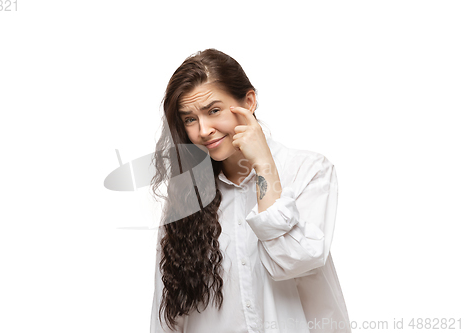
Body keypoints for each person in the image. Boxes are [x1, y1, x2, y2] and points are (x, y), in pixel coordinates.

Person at [149, 48, 351, 333]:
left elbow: (295, 261)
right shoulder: (186, 195)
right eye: (190, 119)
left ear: (249, 101)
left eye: (213, 111)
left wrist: (264, 165)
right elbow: (169, 310)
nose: (203, 130)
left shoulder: (309, 172)